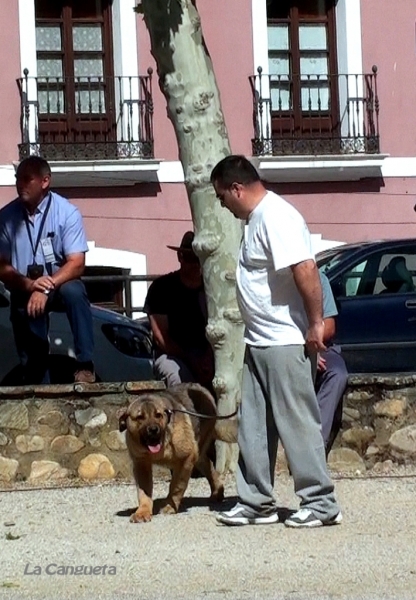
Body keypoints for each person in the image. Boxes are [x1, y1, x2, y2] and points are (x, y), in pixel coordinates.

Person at [211, 155, 341, 528]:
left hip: (284, 340)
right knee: (253, 426)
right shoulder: (255, 221)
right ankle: (256, 502)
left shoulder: (277, 216)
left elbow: (305, 268)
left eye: (223, 197)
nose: (223, 204)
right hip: (259, 340)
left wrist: (316, 323)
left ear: (237, 188)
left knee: (298, 423)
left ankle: (320, 504)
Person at [0, 156, 95, 385]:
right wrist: (31, 285)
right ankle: (36, 378)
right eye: (17, 179)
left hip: (58, 283)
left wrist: (45, 286)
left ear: (45, 181)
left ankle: (85, 365)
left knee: (75, 291)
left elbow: (77, 263)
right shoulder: (6, 217)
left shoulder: (66, 212)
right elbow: (1, 267)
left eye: (27, 179)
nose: (20, 184)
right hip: (25, 285)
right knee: (24, 309)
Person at [144, 231, 215, 392]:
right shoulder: (161, 289)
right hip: (172, 354)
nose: (196, 264)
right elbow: (161, 338)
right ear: (180, 257)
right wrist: (192, 361)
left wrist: (208, 358)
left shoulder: (212, 289)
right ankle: (184, 416)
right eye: (191, 258)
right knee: (177, 376)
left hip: (208, 354)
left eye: (200, 258)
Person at [317, 272, 348, 456]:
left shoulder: (320, 279)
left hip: (319, 346)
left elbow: (329, 325)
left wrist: (312, 348)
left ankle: (316, 445)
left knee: (337, 373)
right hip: (290, 349)